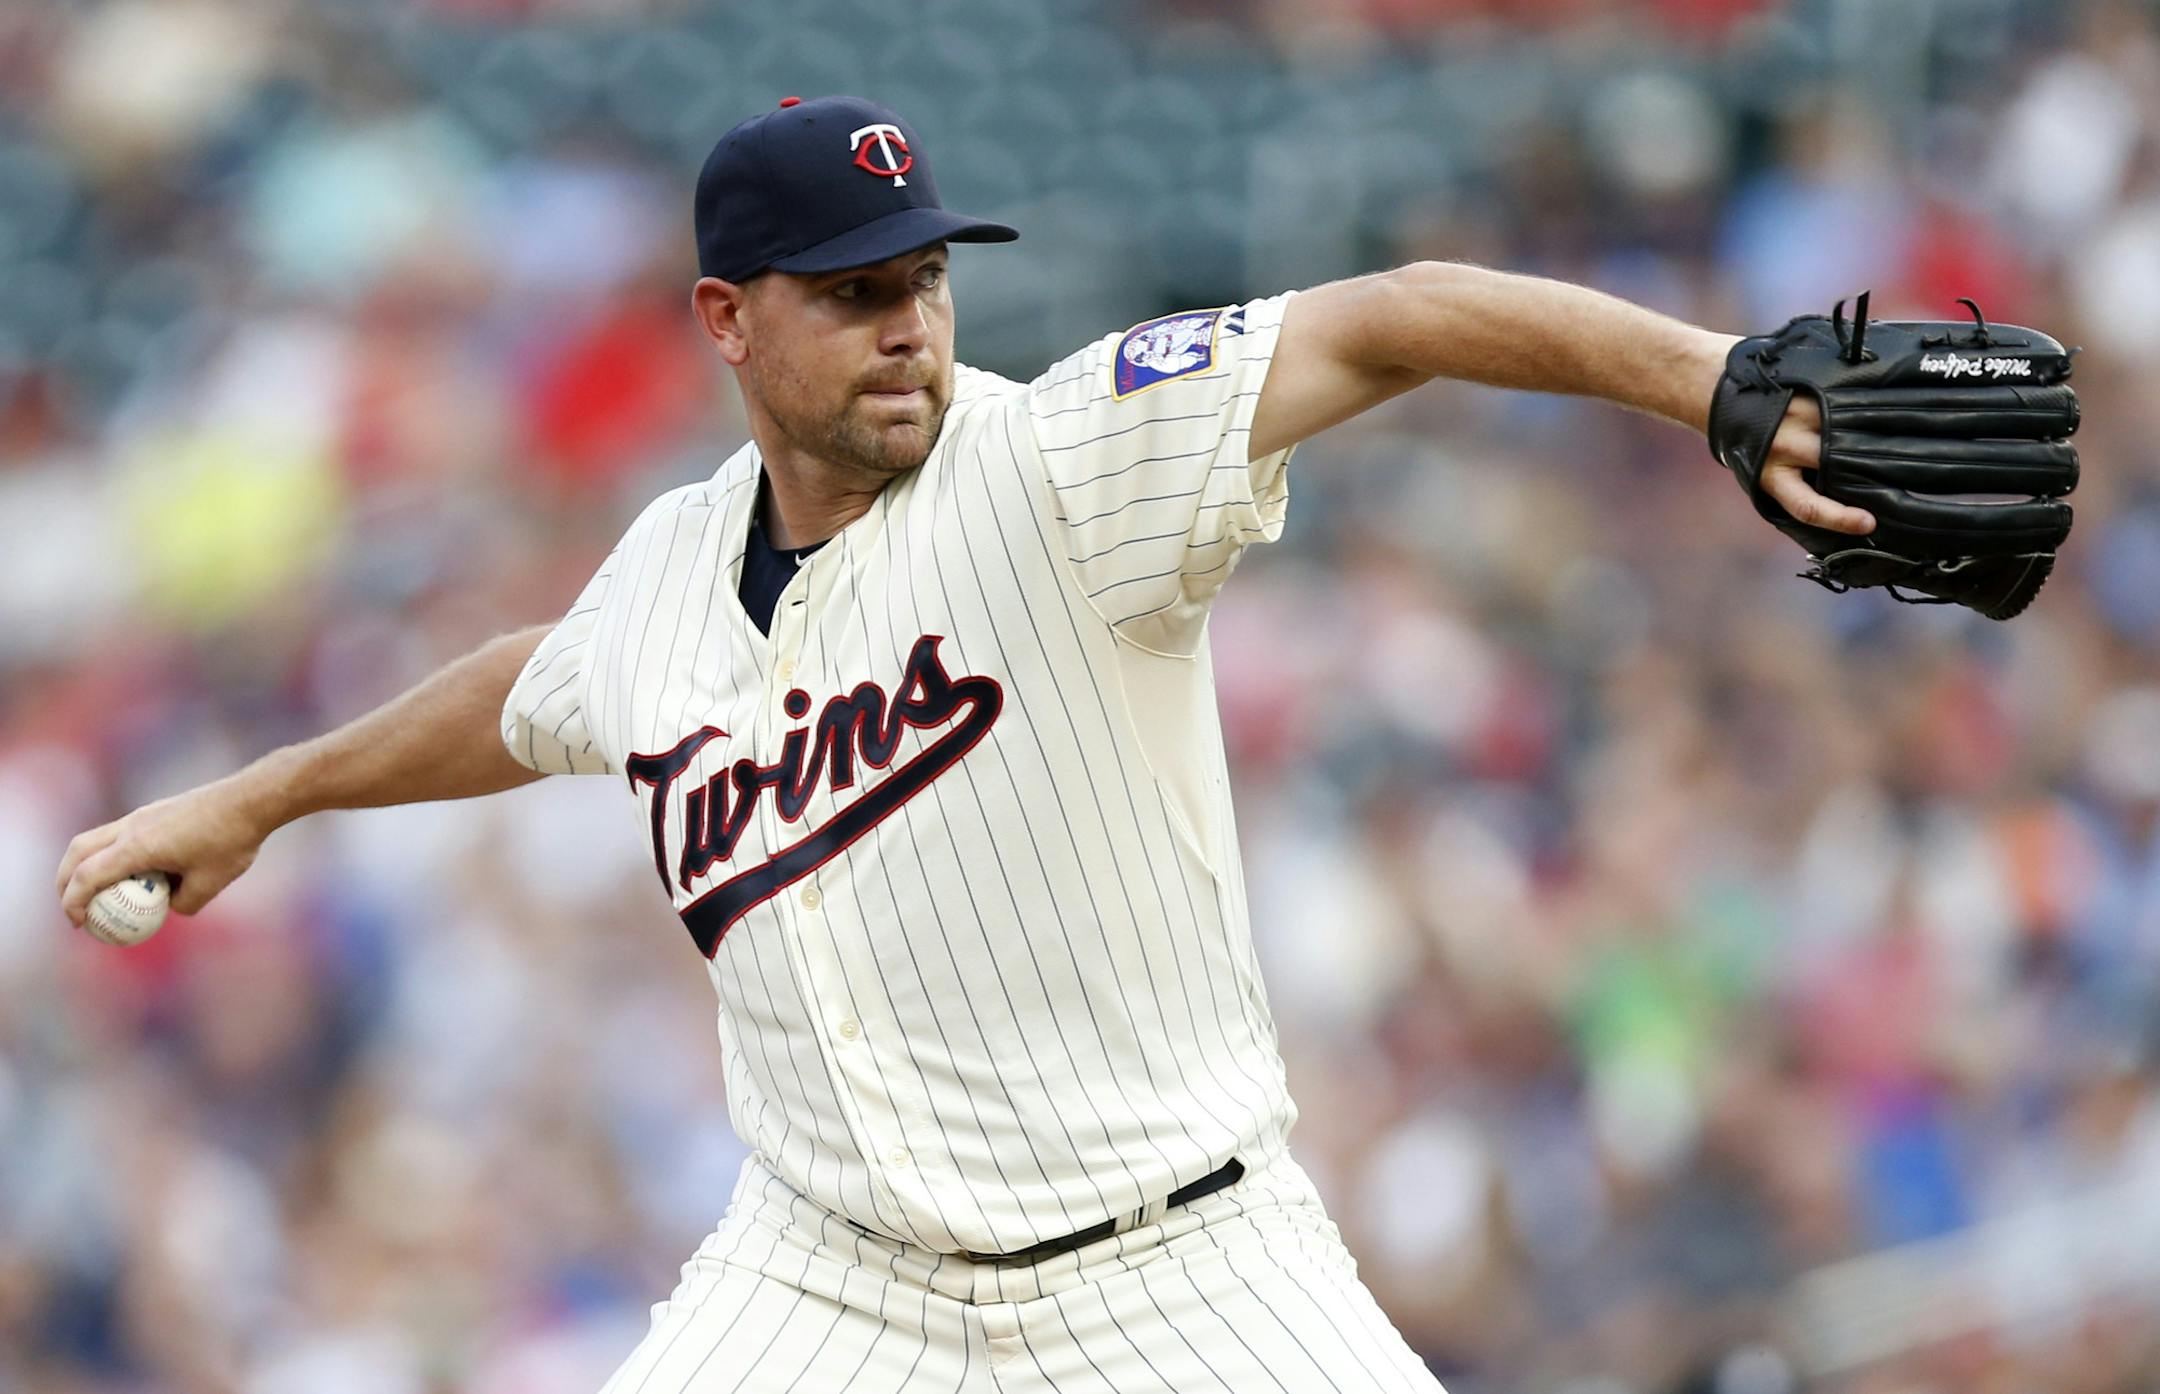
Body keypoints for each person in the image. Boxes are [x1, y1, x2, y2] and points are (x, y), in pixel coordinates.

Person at [55, 96, 1855, 1392]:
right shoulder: (669, 569)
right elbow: (543, 687)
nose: (908, 321)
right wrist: (257, 796)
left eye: (922, 276)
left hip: (1182, 1262)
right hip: (831, 1281)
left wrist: (1709, 380)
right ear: (727, 321)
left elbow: (1388, 320)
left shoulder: (1063, 460)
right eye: (849, 290)